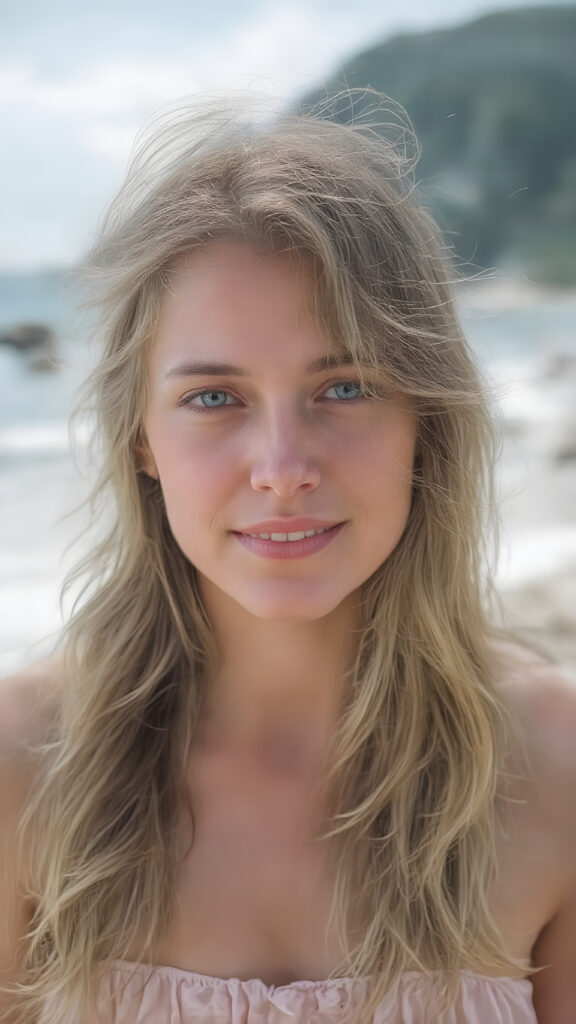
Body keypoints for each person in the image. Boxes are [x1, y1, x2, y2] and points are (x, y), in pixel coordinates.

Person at [0, 93, 574, 1024]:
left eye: (345, 386)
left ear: (424, 417)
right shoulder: (22, 769)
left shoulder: (558, 768)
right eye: (214, 398)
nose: (282, 471)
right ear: (141, 438)